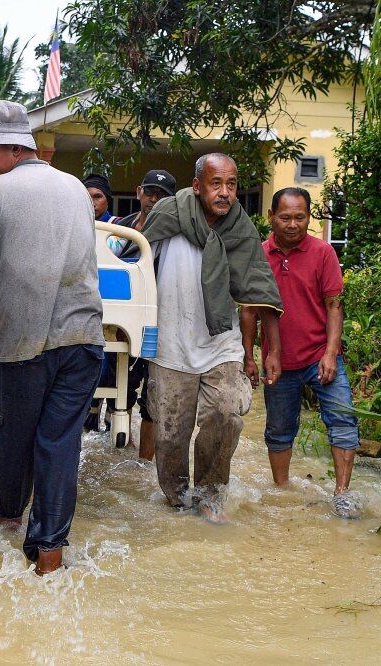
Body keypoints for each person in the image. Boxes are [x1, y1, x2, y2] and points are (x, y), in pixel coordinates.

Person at [0, 100, 104, 575]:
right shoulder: (75, 187)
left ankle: (10, 522)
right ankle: (49, 555)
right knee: (59, 443)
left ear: (10, 148)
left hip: (23, 344)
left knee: (14, 436)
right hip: (83, 337)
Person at [142, 153, 282, 524]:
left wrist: (272, 351)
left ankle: (210, 493)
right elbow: (135, 264)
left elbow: (260, 289)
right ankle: (177, 499)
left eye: (232, 184)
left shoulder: (240, 229)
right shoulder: (167, 215)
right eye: (216, 184)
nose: (225, 193)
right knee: (171, 434)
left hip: (221, 343)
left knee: (228, 412)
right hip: (170, 344)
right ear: (197, 185)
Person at [240, 187, 361, 518]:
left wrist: (331, 353)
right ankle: (281, 492)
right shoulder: (258, 255)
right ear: (271, 217)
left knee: (343, 419)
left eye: (300, 217)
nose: (293, 224)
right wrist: (249, 356)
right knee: (279, 430)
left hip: (320, 355)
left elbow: (334, 305)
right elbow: (249, 310)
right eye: (285, 217)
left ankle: (342, 494)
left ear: (309, 217)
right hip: (278, 362)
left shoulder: (323, 253)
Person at [86, 171, 177, 462]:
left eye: (161, 194)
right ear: (138, 192)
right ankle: (118, 455)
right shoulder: (121, 229)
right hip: (120, 325)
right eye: (149, 191)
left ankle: (144, 462)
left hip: (161, 325)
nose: (153, 199)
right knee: (120, 386)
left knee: (154, 396)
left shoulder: (175, 236)